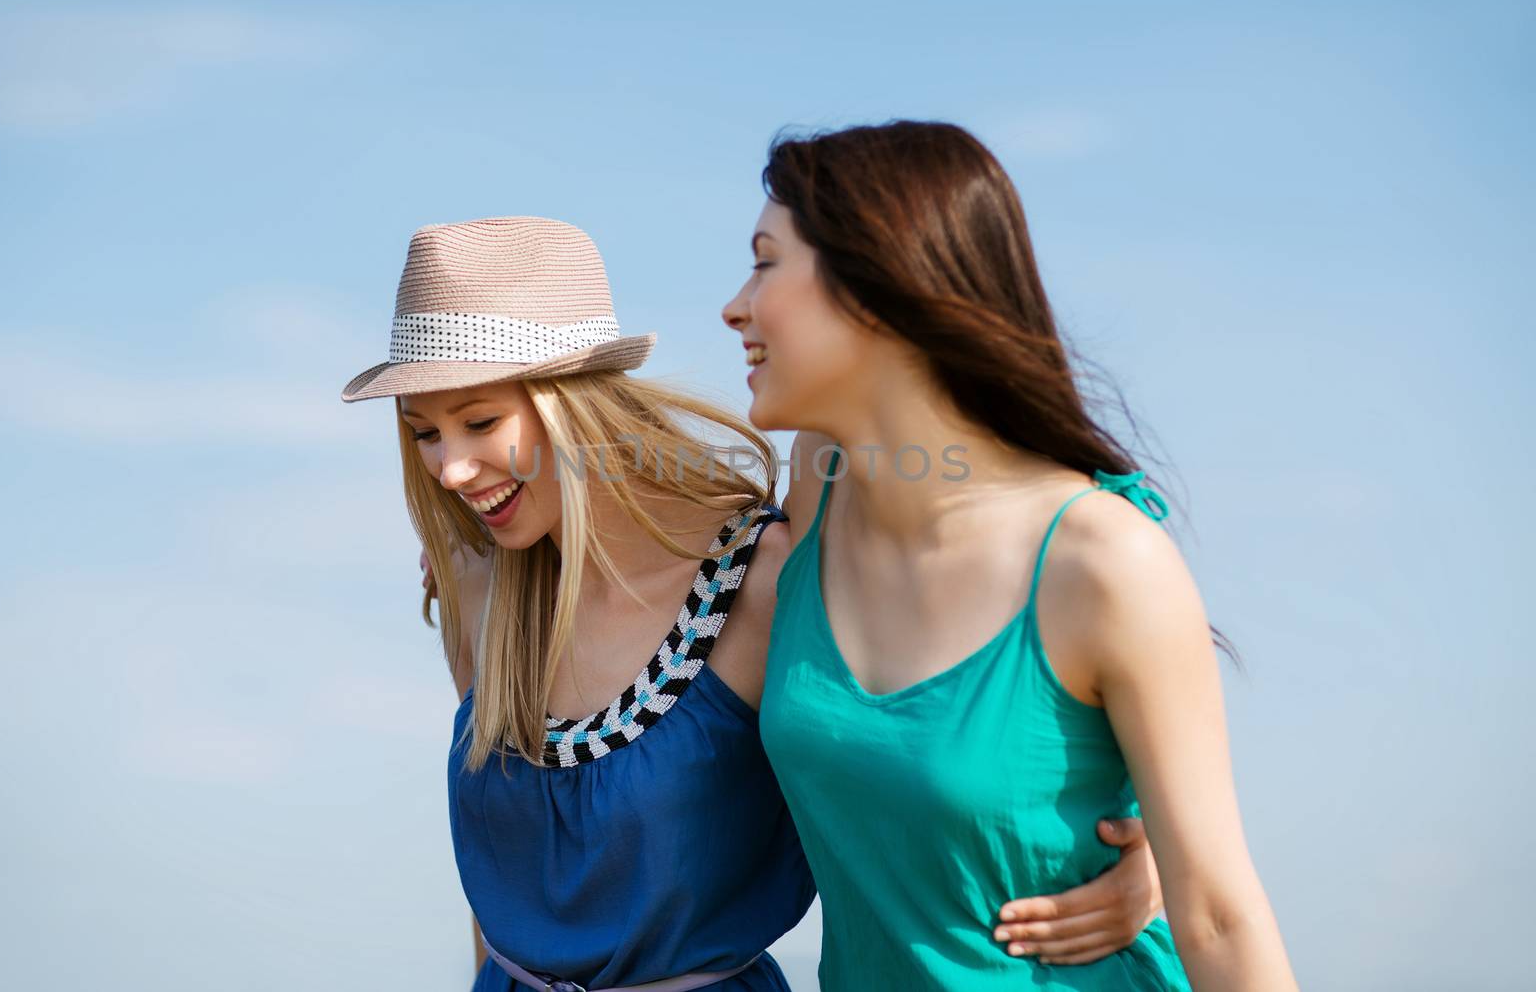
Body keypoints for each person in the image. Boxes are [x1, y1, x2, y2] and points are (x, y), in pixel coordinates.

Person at [345, 215, 1166, 991]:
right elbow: (504, 887)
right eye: (424, 432)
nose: (451, 468)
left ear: (578, 406)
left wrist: (1154, 852)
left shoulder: (758, 577)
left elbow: (953, 722)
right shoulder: (476, 581)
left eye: (481, 420)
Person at [722, 121, 1298, 990]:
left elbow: (1220, 915)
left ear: (876, 285)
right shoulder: (820, 480)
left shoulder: (1103, 563)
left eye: (766, 262)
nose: (735, 305)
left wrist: (1144, 847)